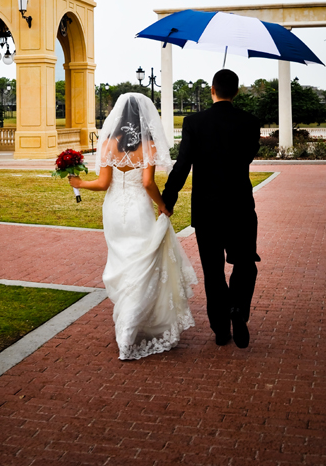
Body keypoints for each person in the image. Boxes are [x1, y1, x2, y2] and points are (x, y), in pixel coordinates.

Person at [69, 92, 197, 361]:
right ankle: (129, 326)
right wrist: (163, 205)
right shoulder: (148, 144)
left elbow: (103, 183)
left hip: (114, 210)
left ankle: (128, 322)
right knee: (142, 263)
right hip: (138, 209)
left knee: (121, 262)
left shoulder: (109, 143)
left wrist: (80, 185)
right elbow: (148, 183)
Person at [162, 69, 261, 349]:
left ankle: (221, 329)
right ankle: (238, 309)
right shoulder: (251, 122)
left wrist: (168, 200)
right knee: (245, 263)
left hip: (207, 209)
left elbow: (182, 165)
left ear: (212, 90)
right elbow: (248, 157)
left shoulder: (194, 122)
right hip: (240, 206)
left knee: (213, 271)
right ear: (237, 92)